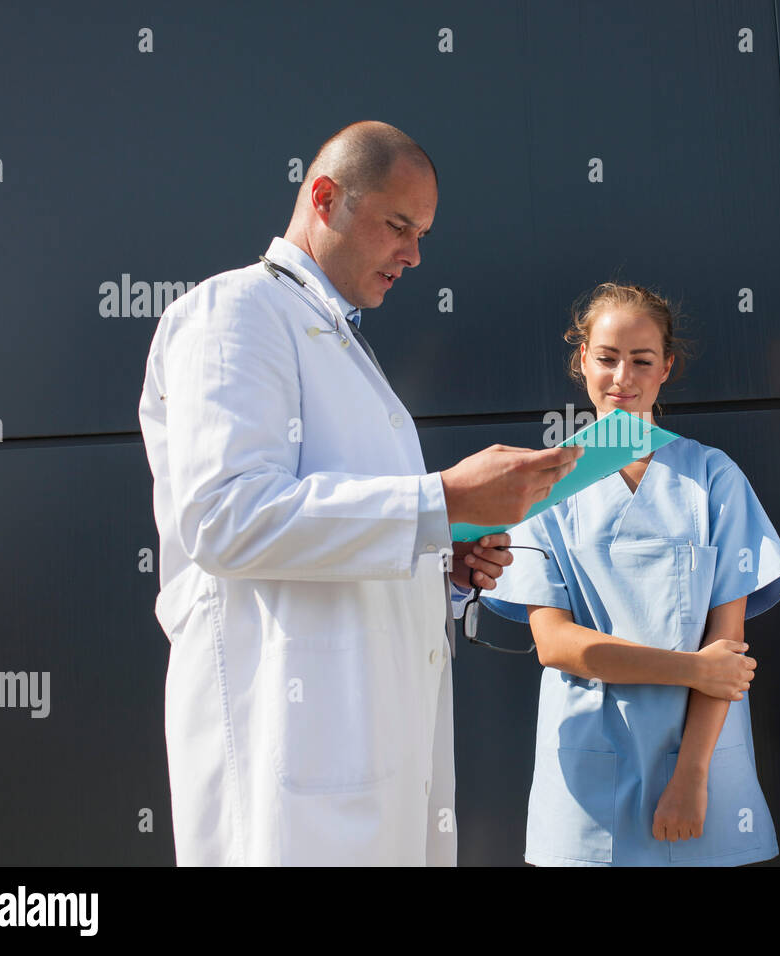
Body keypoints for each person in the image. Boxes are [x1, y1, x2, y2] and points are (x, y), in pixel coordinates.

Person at [138, 121, 581, 866]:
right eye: (398, 226)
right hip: (287, 772)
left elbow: (342, 536)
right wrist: (439, 502)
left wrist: (445, 557)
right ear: (324, 199)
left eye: (423, 233)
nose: (413, 255)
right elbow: (226, 519)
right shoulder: (235, 313)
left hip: (370, 767)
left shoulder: (335, 341)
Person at [480, 282, 780, 866]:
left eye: (642, 360)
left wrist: (692, 775)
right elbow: (554, 643)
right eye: (606, 358)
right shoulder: (545, 487)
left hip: (697, 762)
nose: (622, 376)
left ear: (666, 368)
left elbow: (726, 647)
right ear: (583, 362)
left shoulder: (712, 477)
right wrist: (694, 669)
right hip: (588, 771)